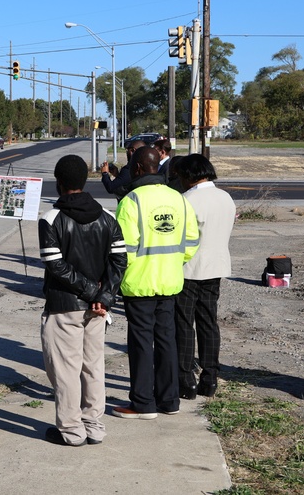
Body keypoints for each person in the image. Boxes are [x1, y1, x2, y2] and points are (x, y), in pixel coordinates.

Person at [38, 155, 126, 447]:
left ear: (59, 183)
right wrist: (104, 297)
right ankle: (94, 426)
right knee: (93, 367)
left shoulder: (51, 219)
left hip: (65, 306)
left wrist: (91, 294)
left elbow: (56, 266)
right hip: (98, 310)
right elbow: (119, 260)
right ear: (84, 181)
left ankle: (72, 431)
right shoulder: (108, 217)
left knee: (65, 371)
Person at [112, 147, 199, 420]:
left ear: (137, 169)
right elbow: (192, 242)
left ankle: (142, 403)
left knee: (140, 343)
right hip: (170, 281)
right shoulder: (179, 199)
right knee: (166, 341)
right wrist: (172, 261)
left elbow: (123, 250)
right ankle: (169, 400)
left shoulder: (131, 201)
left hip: (139, 283)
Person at [173, 154, 236, 399]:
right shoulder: (225, 197)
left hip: (189, 269)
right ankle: (210, 378)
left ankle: (186, 379)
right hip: (216, 266)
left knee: (184, 324)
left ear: (188, 176)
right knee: (209, 323)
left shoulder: (186, 199)